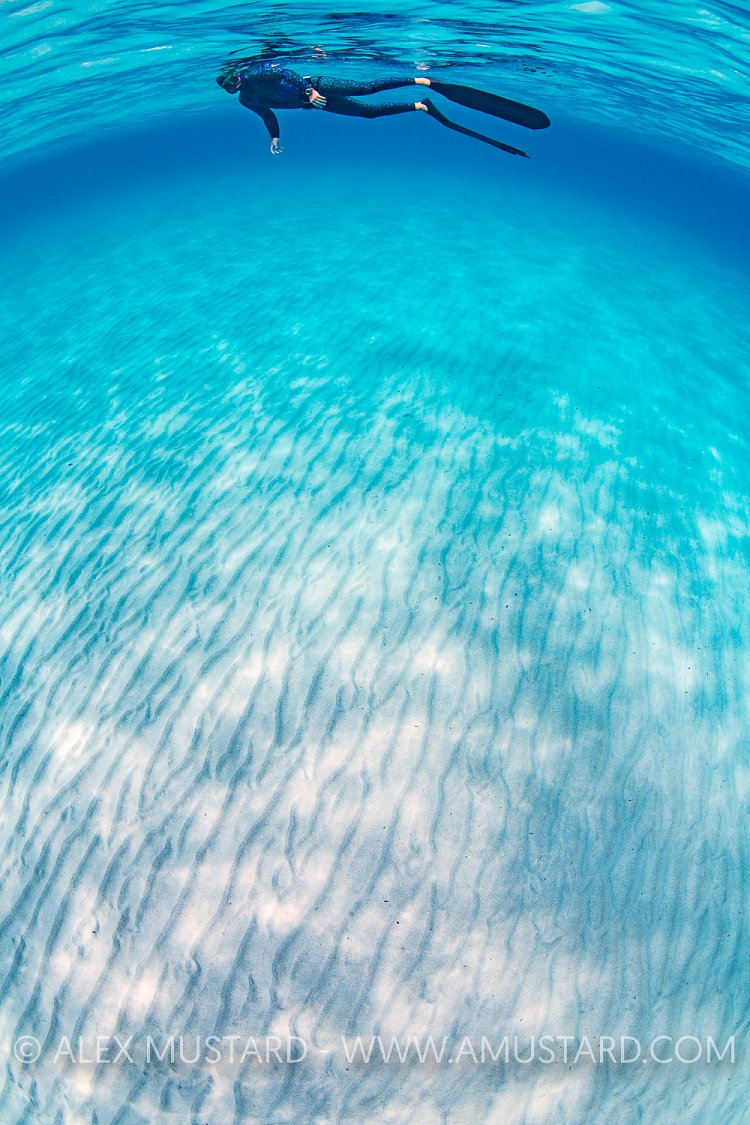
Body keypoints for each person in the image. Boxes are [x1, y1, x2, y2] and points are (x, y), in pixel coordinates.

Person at [216, 59, 550, 157]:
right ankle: (420, 105)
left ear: (238, 75)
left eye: (236, 81)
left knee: (367, 88)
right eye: (233, 87)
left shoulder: (257, 72)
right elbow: (267, 114)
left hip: (317, 85)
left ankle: (421, 81)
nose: (238, 85)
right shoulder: (248, 99)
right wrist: (273, 137)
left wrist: (309, 90)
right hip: (317, 104)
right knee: (369, 113)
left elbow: (286, 73)